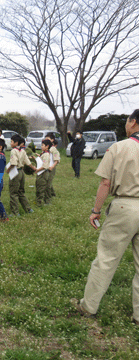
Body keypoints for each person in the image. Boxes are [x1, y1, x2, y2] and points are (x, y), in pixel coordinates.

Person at [72, 109, 139, 326]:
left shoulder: (120, 147)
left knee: (107, 259)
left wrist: (96, 210)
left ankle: (88, 306)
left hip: (124, 205)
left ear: (133, 122)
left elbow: (105, 183)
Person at [7, 135, 35, 216]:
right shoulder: (23, 151)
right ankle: (28, 209)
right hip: (22, 173)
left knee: (13, 193)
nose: (10, 143)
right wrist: (33, 168)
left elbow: (13, 163)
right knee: (21, 192)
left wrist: (8, 169)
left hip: (15, 172)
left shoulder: (13, 151)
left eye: (11, 141)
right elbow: (28, 162)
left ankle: (15, 212)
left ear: (16, 143)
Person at [34, 139, 52, 207]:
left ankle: (40, 203)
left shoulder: (46, 154)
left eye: (43, 145)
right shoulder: (44, 154)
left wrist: (37, 170)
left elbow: (45, 166)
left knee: (41, 188)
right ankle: (40, 201)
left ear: (47, 146)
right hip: (41, 172)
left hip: (43, 173)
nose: (41, 146)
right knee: (39, 186)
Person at [45, 133, 60, 202]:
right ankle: (53, 193)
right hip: (47, 167)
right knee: (48, 181)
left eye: (48, 139)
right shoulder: (46, 147)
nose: (46, 140)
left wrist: (52, 167)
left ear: (52, 140)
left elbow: (56, 160)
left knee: (48, 184)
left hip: (51, 168)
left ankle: (48, 200)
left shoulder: (53, 149)